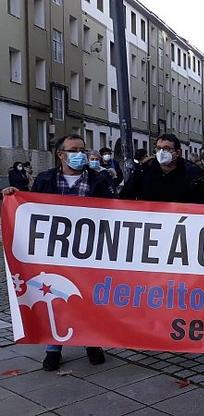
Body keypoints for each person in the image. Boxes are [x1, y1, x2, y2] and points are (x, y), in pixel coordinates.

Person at [2, 134, 114, 371]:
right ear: (61, 155)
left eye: (82, 150)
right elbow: (30, 206)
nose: (80, 155)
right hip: (53, 251)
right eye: (74, 150)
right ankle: (54, 347)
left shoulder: (98, 180)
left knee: (88, 296)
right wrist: (14, 195)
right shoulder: (45, 179)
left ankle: (90, 341)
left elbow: (113, 210)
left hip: (89, 250)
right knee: (55, 293)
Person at [120, 134, 204, 203]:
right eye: (159, 148)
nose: (161, 152)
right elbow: (125, 196)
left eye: (166, 148)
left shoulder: (192, 172)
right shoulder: (144, 170)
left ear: (177, 152)